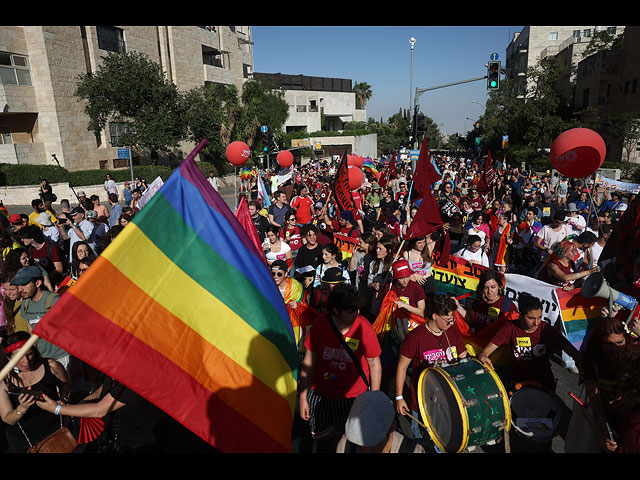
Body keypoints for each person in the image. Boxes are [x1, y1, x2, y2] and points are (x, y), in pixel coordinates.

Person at [299, 283, 382, 452]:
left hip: (354, 398)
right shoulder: (320, 325)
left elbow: (374, 363)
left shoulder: (364, 326)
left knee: (352, 440)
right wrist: (302, 397)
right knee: (323, 439)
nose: (356, 314)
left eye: (356, 310)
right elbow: (309, 362)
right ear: (335, 311)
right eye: (350, 311)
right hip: (322, 396)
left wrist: (373, 397)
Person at [395, 294, 468, 440]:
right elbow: (402, 368)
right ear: (435, 316)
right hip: (423, 403)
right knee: (424, 443)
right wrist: (399, 397)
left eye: (453, 319)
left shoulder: (452, 332)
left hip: (449, 402)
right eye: (448, 320)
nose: (451, 323)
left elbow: (464, 357)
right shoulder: (415, 337)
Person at [478, 292, 581, 393]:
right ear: (520, 315)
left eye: (539, 317)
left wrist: (580, 360)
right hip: (518, 384)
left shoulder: (546, 329)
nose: (536, 323)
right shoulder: (509, 328)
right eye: (531, 318)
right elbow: (485, 352)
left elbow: (569, 348)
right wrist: (483, 356)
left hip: (544, 383)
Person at [0, 331, 70, 453]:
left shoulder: (51, 365)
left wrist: (63, 399)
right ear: (9, 358)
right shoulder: (4, 381)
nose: (26, 361)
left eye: (29, 354)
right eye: (19, 357)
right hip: (25, 441)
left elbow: (65, 384)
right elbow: (8, 419)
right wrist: (22, 407)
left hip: (56, 431)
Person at [582, 315, 640, 453]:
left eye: (619, 343)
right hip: (606, 415)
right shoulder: (592, 360)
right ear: (599, 343)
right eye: (608, 344)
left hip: (631, 420)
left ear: (626, 339)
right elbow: (593, 395)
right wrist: (603, 426)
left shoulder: (635, 358)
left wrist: (634, 399)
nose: (614, 349)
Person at [11, 266, 70, 369]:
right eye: (19, 285)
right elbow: (31, 332)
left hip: (62, 358)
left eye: (24, 284)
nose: (20, 289)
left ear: (38, 283)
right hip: (43, 360)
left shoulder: (54, 301)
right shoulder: (26, 304)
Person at [337, 390, 426, 453]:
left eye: (374, 442)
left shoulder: (414, 451)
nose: (366, 451)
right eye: (359, 443)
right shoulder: (345, 444)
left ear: (392, 426)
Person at [455, 269, 518, 334]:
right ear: (481, 288)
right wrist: (458, 307)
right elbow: (470, 319)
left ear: (499, 287)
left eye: (493, 287)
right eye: (486, 288)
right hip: (478, 341)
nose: (489, 291)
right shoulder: (478, 302)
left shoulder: (508, 305)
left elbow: (515, 331)